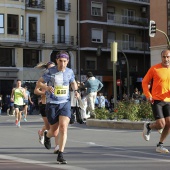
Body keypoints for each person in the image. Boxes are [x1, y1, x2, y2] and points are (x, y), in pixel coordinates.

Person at [36, 51, 79, 164]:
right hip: (52, 104)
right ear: (57, 61)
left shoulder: (70, 72)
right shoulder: (50, 71)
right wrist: (47, 86)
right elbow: (39, 83)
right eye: (60, 61)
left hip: (65, 103)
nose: (62, 64)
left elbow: (73, 82)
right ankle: (47, 135)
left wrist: (76, 91)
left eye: (65, 61)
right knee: (54, 133)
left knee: (64, 127)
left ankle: (61, 153)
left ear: (68, 61)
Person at [142, 49, 170, 153]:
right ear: (161, 57)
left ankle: (160, 145)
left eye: (168, 57)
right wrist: (148, 95)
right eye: (164, 57)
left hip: (168, 100)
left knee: (169, 123)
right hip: (156, 100)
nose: (166, 59)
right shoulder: (154, 69)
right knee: (161, 124)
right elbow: (145, 82)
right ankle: (148, 126)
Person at [34, 61, 59, 154]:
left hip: (56, 104)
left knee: (57, 126)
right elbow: (36, 91)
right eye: (50, 68)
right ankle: (42, 132)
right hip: (44, 104)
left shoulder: (58, 79)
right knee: (49, 127)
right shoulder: (43, 79)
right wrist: (44, 93)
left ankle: (57, 146)